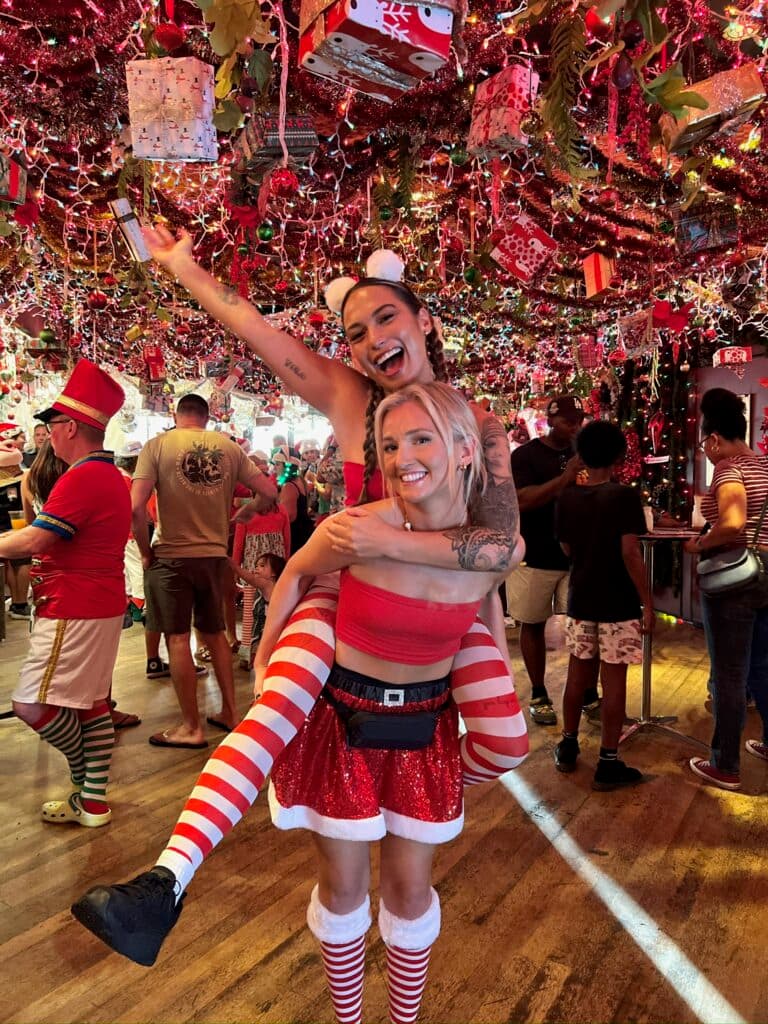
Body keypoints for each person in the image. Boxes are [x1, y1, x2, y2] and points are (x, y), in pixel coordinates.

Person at [67, 233, 524, 965]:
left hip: (443, 610)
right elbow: (257, 331)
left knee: (505, 740)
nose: (372, 341)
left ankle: (438, 787)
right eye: (355, 332)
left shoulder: (478, 427)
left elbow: (501, 552)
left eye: (385, 320)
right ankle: (166, 880)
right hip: (345, 602)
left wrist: (370, 539)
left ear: (425, 321)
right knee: (274, 707)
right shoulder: (350, 399)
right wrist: (183, 267)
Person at [2, 360, 130, 827]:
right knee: (92, 703)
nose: (49, 434)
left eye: (52, 425)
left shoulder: (82, 477)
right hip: (97, 603)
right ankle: (92, 801)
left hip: (75, 605)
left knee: (30, 703)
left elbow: (36, 540)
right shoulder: (108, 476)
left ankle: (83, 775)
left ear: (70, 426)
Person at [131, 393, 276, 748]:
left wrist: (145, 552)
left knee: (177, 639)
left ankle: (191, 727)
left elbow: (135, 506)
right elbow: (269, 491)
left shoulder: (158, 445)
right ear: (207, 418)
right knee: (215, 634)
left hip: (173, 555)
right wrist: (247, 511)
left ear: (176, 415)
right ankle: (230, 713)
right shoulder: (227, 448)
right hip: (214, 555)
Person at [552, 420, 651, 790]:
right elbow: (630, 551)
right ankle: (608, 762)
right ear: (619, 456)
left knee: (578, 675)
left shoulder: (566, 497)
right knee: (614, 681)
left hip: (581, 597)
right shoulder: (624, 497)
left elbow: (566, 548)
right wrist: (647, 602)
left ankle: (568, 744)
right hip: (618, 601)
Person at [684, 388, 768, 791]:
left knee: (729, 674)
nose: (706, 452)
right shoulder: (765, 465)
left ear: (714, 438)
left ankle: (726, 765)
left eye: (705, 444)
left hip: (736, 579)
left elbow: (733, 523)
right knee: (764, 666)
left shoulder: (729, 468)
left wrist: (699, 543)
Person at [507, 395, 590, 725]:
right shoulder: (526, 456)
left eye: (579, 420)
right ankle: (539, 692)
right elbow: (521, 501)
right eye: (569, 420)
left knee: (582, 623)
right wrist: (565, 478)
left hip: (577, 555)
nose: (575, 427)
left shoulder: (583, 453)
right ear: (550, 420)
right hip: (535, 553)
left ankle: (586, 691)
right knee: (533, 622)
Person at [230, 550, 286, 677]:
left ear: (273, 573)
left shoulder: (267, 584)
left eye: (262, 566)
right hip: (272, 628)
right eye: (256, 566)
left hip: (270, 629)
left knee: (264, 658)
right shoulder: (277, 586)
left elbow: (250, 578)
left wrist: (233, 565)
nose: (257, 569)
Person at [0, 423, 31, 619]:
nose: (24, 440)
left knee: (7, 557)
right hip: (13, 509)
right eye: (21, 437)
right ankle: (20, 604)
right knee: (22, 555)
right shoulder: (11, 460)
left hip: (6, 511)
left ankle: (16, 603)